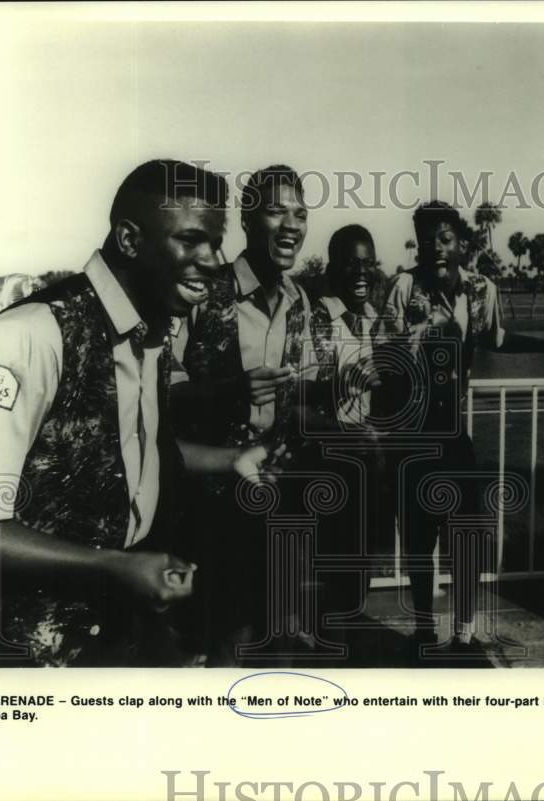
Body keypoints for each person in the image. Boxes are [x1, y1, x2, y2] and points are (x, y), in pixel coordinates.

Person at [0, 159, 270, 667]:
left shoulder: (150, 335)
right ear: (128, 238)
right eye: (191, 240)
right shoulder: (24, 339)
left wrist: (230, 460)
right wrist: (115, 567)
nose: (212, 260)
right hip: (12, 664)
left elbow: (121, 453)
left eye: (215, 242)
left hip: (114, 639)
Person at [382, 200, 544, 663]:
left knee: (467, 538)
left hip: (455, 436)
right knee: (419, 542)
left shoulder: (481, 288)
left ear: (461, 243)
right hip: (412, 438)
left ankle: (463, 632)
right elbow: (385, 362)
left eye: (446, 238)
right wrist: (420, 336)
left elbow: (495, 337)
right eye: (426, 238)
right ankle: (421, 628)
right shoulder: (403, 286)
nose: (436, 248)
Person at [177, 165, 320, 662]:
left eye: (300, 214)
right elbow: (155, 391)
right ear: (247, 218)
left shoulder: (300, 300)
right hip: (207, 502)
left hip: (275, 501)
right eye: (277, 211)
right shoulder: (201, 290)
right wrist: (226, 392)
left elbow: (299, 394)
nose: (292, 225)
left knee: (276, 642)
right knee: (221, 645)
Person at [305, 224, 392, 659]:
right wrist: (340, 382)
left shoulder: (375, 318)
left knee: (360, 566)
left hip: (366, 462)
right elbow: (300, 396)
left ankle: (347, 643)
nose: (360, 271)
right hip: (328, 459)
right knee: (332, 569)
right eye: (350, 262)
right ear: (333, 265)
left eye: (367, 261)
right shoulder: (319, 316)